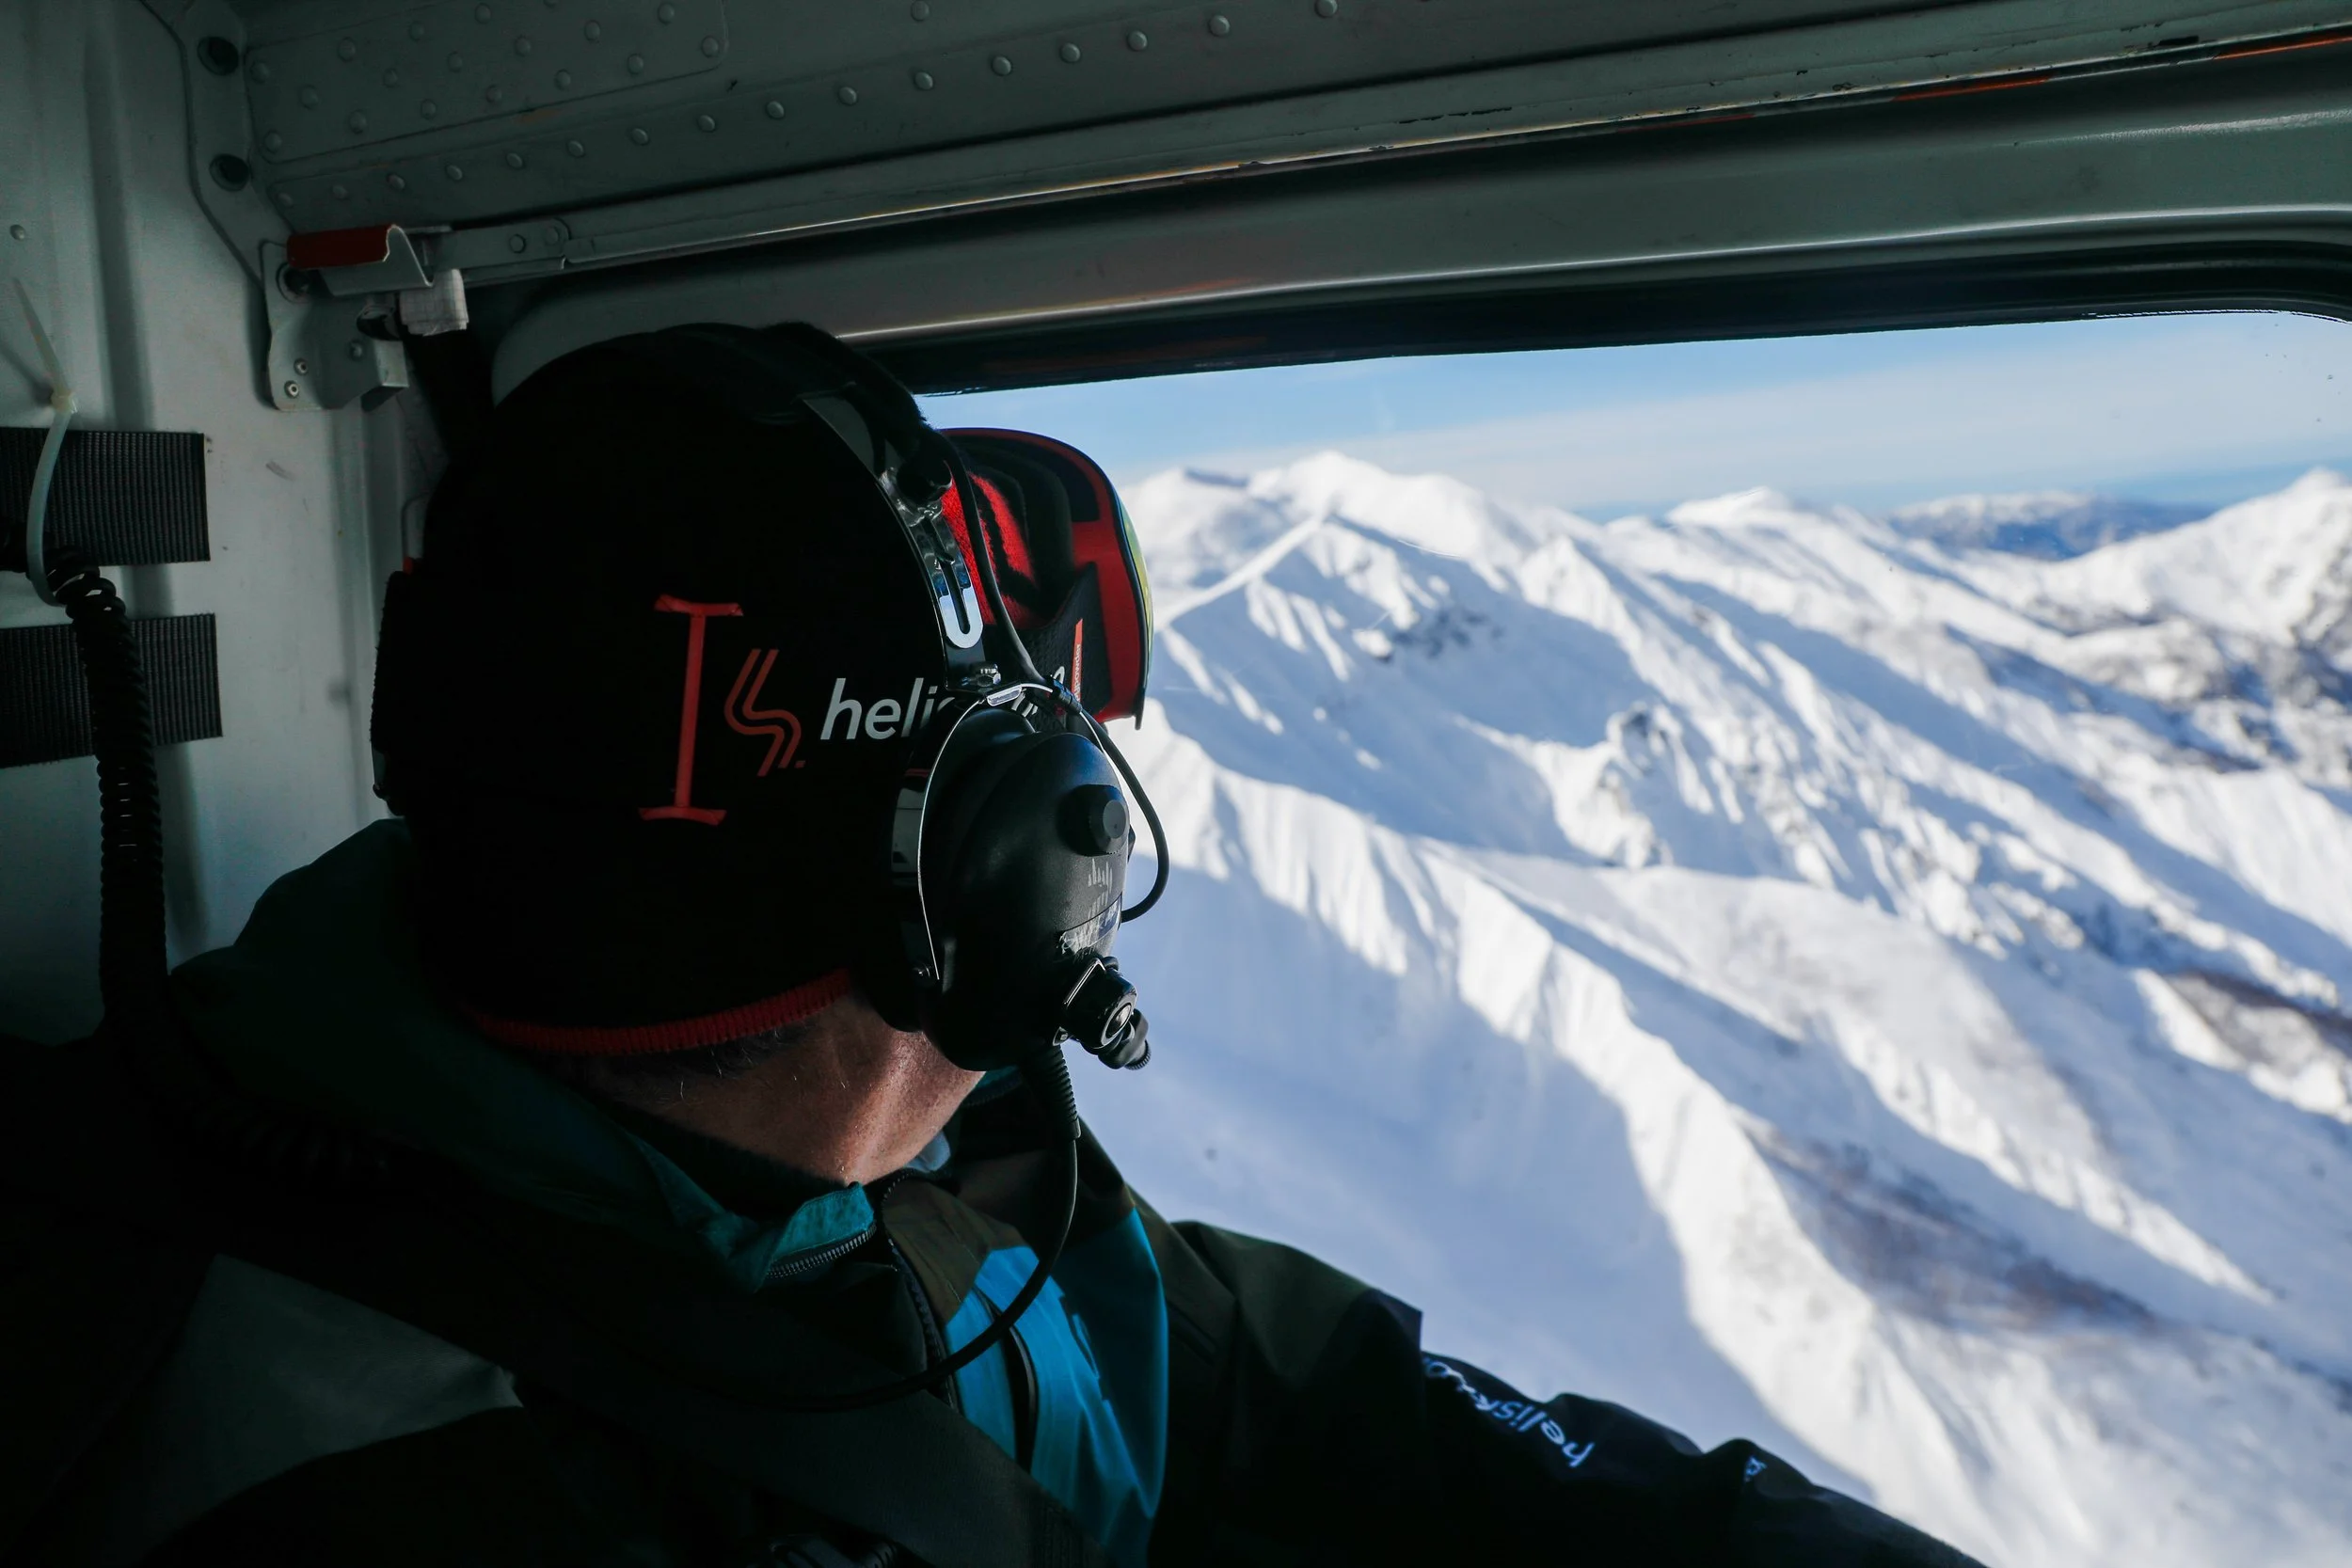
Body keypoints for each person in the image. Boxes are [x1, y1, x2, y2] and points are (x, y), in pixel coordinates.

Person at [0, 325, 1982, 1568]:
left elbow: (1304, 1400)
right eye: (1074, 817)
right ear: (984, 887)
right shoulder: (386, 1487)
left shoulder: (892, 1180)